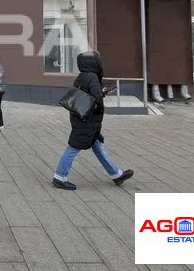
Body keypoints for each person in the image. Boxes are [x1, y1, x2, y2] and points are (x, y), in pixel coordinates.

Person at [52, 51, 134, 190]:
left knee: (96, 144)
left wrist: (101, 93)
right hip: (87, 120)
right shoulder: (93, 77)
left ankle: (115, 174)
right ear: (94, 63)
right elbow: (97, 98)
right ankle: (59, 177)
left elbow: (85, 94)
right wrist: (101, 106)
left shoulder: (82, 76)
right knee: (74, 146)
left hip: (80, 116)